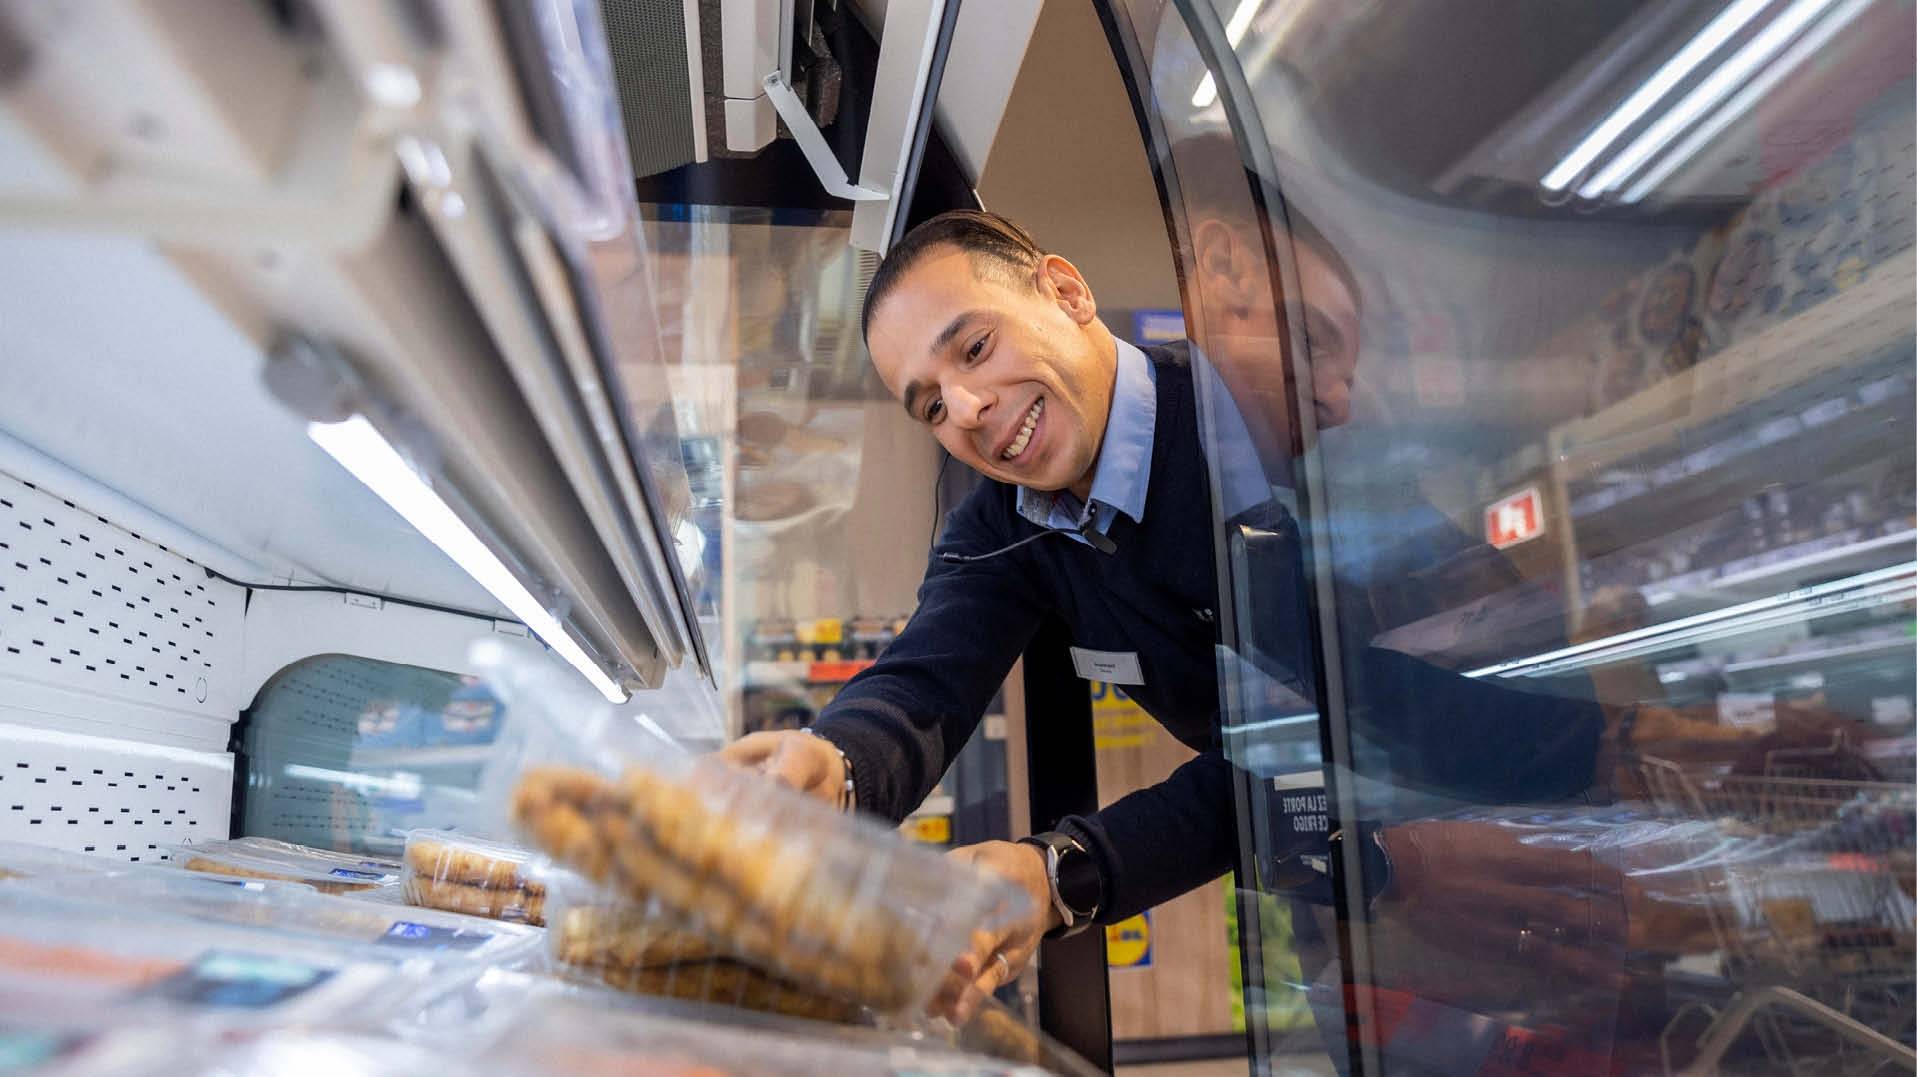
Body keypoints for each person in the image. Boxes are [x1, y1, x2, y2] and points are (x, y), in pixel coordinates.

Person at [718, 207, 1621, 1028]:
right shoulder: (1003, 530)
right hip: (1366, 892)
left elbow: (1349, 716)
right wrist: (833, 763)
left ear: (1066, 291)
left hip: (1536, 818)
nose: (965, 407)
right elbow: (924, 683)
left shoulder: (1255, 426)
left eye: (975, 348)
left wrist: (1061, 870)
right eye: (928, 404)